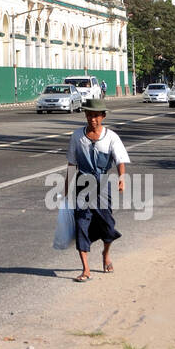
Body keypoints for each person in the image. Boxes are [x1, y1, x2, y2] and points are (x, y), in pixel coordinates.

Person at [64, 97, 129, 282]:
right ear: (85, 115)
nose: (92, 119)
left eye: (96, 116)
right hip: (82, 184)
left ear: (103, 116)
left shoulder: (111, 136)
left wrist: (121, 179)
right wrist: (67, 188)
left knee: (107, 225)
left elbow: (120, 160)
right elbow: (71, 163)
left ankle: (105, 254)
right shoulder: (77, 136)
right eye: (89, 115)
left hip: (103, 185)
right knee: (81, 224)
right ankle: (86, 269)